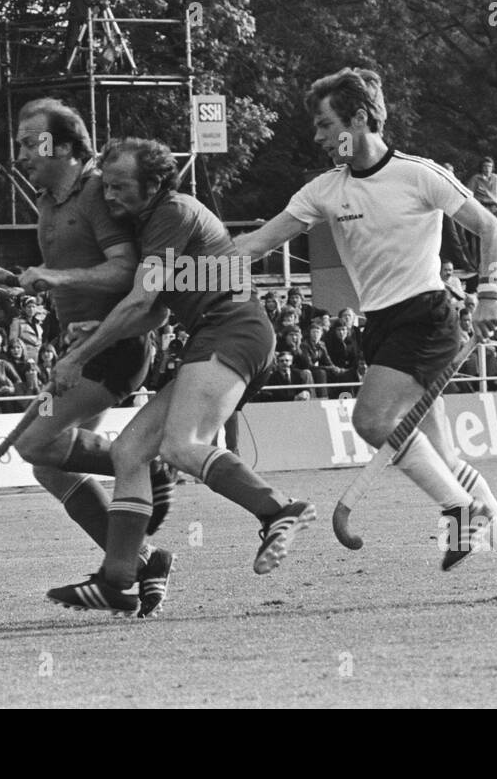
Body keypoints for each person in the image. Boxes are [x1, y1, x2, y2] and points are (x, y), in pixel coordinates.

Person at [234, 67, 497, 599]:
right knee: (444, 460)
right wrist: (180, 269)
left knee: (371, 418)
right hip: (378, 327)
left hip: (427, 317)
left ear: (359, 119)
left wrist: (491, 293)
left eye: (325, 124)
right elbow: (255, 245)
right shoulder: (325, 190)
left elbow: (494, 228)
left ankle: (459, 514)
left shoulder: (419, 173)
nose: (317, 137)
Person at [48, 136, 317, 615]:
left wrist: (78, 356)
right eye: (105, 186)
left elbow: (140, 301)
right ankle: (118, 579)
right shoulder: (152, 221)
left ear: (153, 183)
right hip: (214, 333)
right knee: (131, 451)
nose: (109, 196)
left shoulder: (172, 212)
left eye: (119, 186)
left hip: (232, 328)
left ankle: (280, 509)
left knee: (178, 445)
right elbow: (149, 311)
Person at [7, 98, 176, 617]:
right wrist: (24, 284)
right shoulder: (46, 201)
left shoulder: (96, 192)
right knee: (51, 470)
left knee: (33, 442)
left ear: (61, 145)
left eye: (29, 142)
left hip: (114, 346)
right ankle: (141, 562)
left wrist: (55, 278)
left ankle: (148, 464)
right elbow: (74, 272)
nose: (20, 153)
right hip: (76, 347)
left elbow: (125, 272)